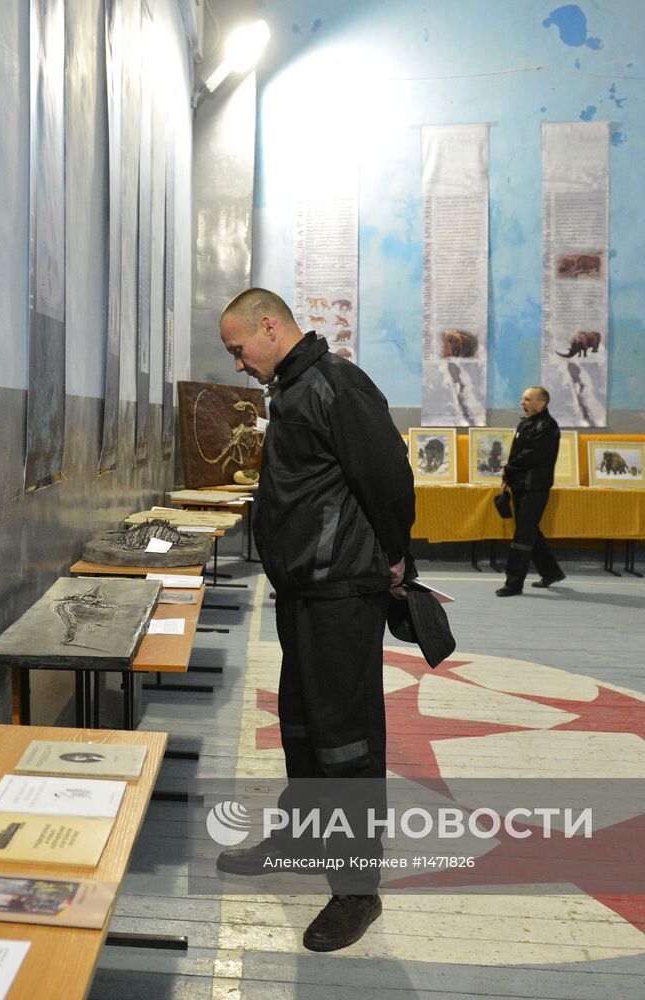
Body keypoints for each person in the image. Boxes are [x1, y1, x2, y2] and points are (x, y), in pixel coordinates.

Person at [213, 288, 416, 952]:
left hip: (339, 595)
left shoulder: (336, 384)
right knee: (301, 724)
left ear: (267, 327)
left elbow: (387, 479)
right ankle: (302, 836)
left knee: (345, 740)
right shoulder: (293, 390)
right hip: (301, 592)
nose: (237, 363)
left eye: (237, 348)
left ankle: (356, 890)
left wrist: (390, 556)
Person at [497, 386, 565, 596]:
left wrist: (508, 469)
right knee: (530, 530)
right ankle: (551, 572)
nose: (522, 403)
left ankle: (513, 583)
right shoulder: (525, 424)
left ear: (541, 403)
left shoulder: (548, 427)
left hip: (535, 488)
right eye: (523, 398)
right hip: (520, 485)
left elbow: (530, 456)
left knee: (523, 535)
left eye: (527, 399)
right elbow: (516, 454)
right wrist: (507, 478)